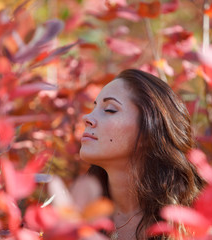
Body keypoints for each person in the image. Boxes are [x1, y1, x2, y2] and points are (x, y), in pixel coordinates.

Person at [79, 69, 204, 240]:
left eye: (109, 110)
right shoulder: (78, 220)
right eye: (94, 107)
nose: (87, 117)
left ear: (149, 130)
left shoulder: (188, 226)